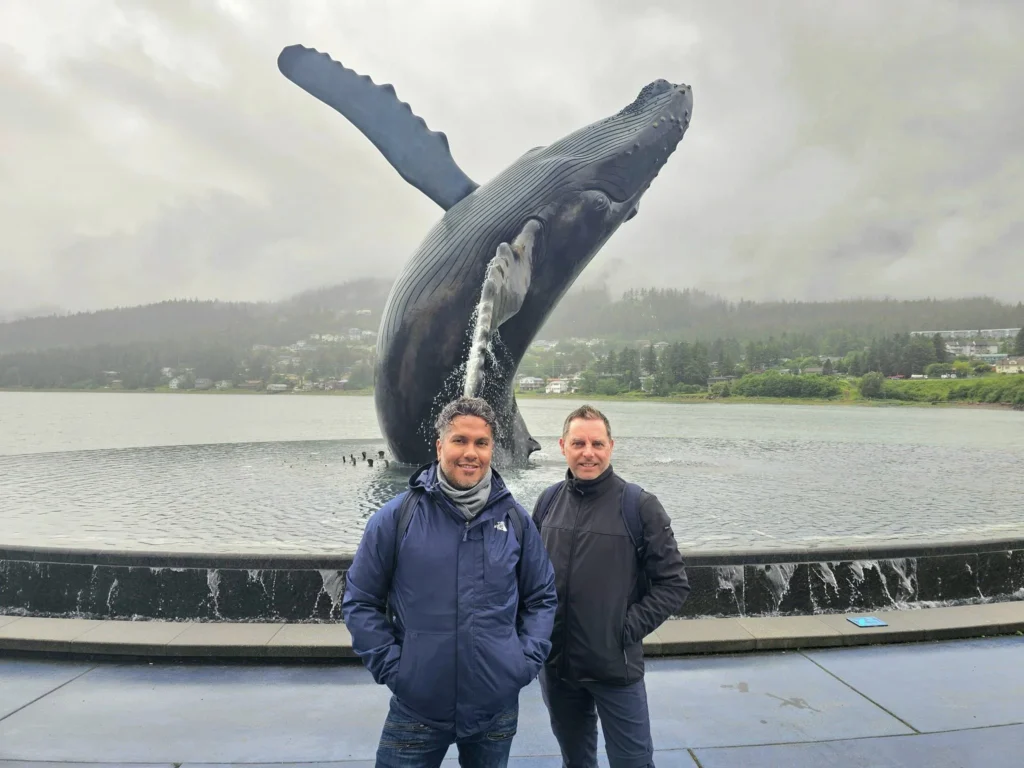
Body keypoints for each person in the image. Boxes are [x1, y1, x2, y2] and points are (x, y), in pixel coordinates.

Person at [342, 396, 557, 768]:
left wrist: (520, 665)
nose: (470, 453)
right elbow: (360, 600)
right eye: (460, 440)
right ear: (441, 445)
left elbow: (541, 597)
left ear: (492, 448)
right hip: (417, 707)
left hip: (495, 707)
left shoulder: (517, 522)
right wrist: (396, 670)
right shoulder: (395, 518)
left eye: (481, 443)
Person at [532, 404, 690, 768]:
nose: (588, 453)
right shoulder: (548, 501)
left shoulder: (640, 506)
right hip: (557, 669)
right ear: (562, 446)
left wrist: (623, 629)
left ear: (611, 446)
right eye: (579, 443)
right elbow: (530, 576)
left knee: (633, 761)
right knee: (576, 760)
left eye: (597, 444)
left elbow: (673, 583)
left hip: (615, 668)